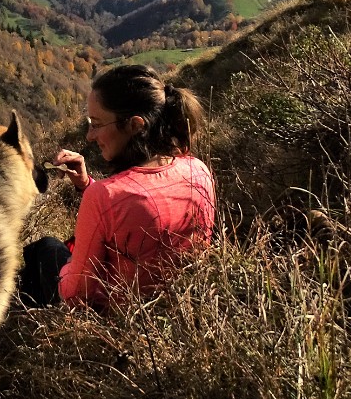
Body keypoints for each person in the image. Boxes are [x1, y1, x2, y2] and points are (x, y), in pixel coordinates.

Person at [19, 64, 216, 311]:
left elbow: (76, 294)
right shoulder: (198, 170)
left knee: (45, 248)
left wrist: (69, 266)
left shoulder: (105, 196)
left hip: (114, 320)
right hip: (177, 306)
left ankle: (23, 327)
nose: (90, 136)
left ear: (135, 125)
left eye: (97, 123)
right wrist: (86, 185)